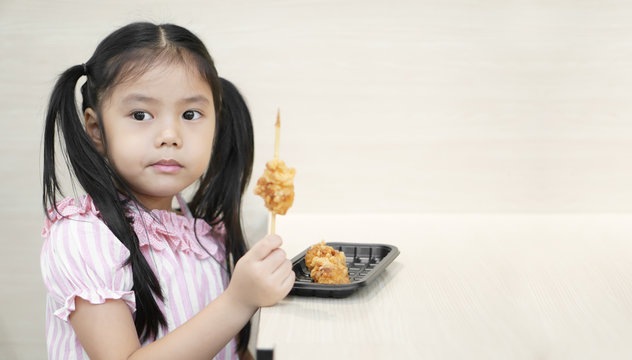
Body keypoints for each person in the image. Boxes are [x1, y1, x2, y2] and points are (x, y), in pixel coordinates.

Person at [40, 22, 294, 360]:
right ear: (96, 129)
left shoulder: (202, 233)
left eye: (191, 114)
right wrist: (239, 301)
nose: (170, 135)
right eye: (141, 114)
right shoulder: (85, 238)